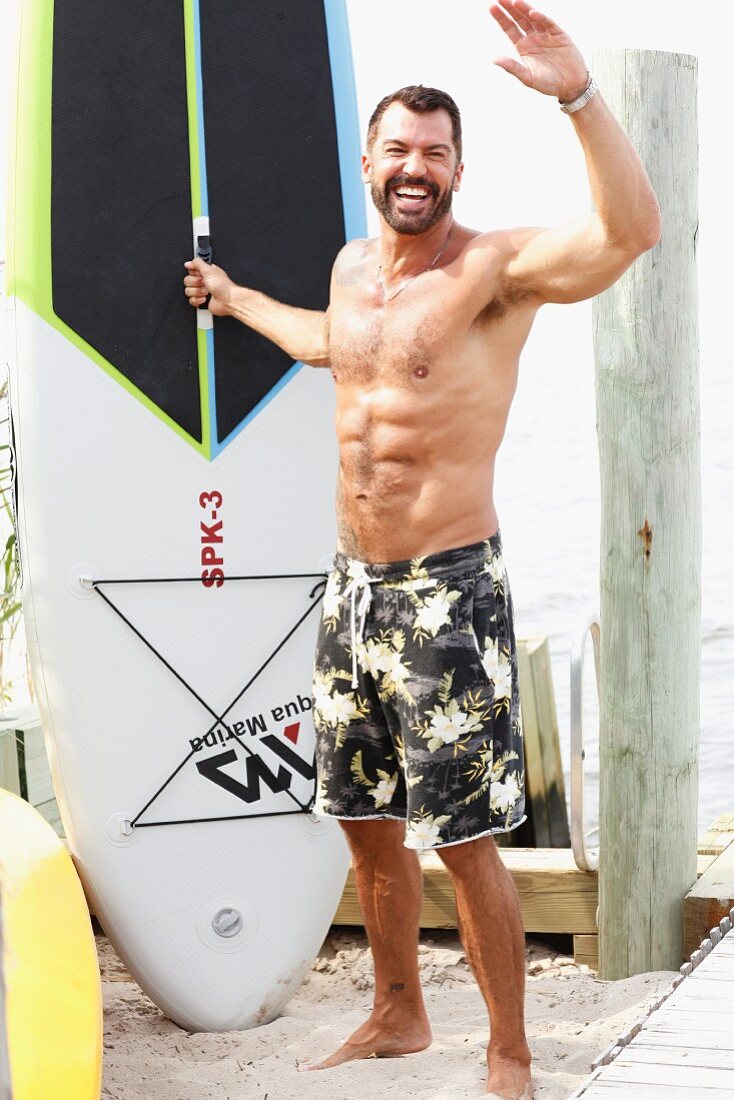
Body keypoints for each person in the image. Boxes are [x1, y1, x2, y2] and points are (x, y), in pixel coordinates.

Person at [183, 2, 660, 1095]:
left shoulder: (493, 271)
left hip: (444, 591)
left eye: (434, 154)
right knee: (358, 811)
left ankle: (506, 1052)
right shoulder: (356, 268)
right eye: (397, 148)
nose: (413, 167)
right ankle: (396, 1012)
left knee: (462, 835)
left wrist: (578, 95)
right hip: (351, 588)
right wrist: (238, 298)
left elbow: (629, 231)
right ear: (368, 159)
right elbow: (332, 351)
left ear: (456, 169)